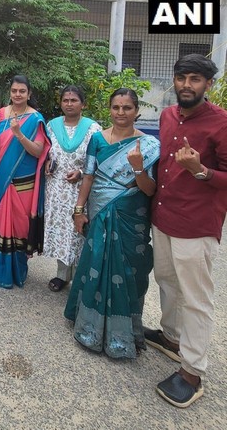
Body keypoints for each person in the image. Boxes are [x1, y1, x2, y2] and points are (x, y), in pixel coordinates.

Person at [145, 54, 227, 408]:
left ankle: (193, 373)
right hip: (164, 218)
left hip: (196, 224)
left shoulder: (221, 124)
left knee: (196, 298)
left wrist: (200, 170)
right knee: (166, 279)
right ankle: (172, 338)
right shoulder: (167, 116)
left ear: (207, 85)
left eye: (195, 79)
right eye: (182, 78)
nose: (186, 85)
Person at [64, 88, 160, 359]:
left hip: (132, 217)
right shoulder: (97, 140)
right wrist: (79, 210)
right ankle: (90, 327)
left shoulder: (148, 146)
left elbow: (150, 190)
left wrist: (138, 167)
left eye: (127, 108)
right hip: (101, 211)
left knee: (129, 271)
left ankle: (124, 331)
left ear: (137, 111)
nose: (121, 113)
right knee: (95, 264)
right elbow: (89, 176)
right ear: (110, 109)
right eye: (116, 107)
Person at [0, 75, 50, 288]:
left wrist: (19, 135)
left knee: (20, 225)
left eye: (22, 91)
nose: (17, 94)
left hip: (24, 181)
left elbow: (38, 151)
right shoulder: (0, 114)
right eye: (14, 91)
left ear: (29, 94)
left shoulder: (36, 119)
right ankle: (0, 269)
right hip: (2, 177)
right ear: (10, 92)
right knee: (2, 220)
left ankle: (17, 269)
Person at [44, 86, 101, 292]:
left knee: (77, 232)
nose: (69, 104)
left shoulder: (93, 128)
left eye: (74, 100)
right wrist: (47, 163)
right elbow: (45, 151)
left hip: (79, 188)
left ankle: (79, 276)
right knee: (61, 230)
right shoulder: (51, 126)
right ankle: (62, 274)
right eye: (66, 100)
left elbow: (97, 158)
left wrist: (80, 170)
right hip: (57, 187)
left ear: (83, 104)